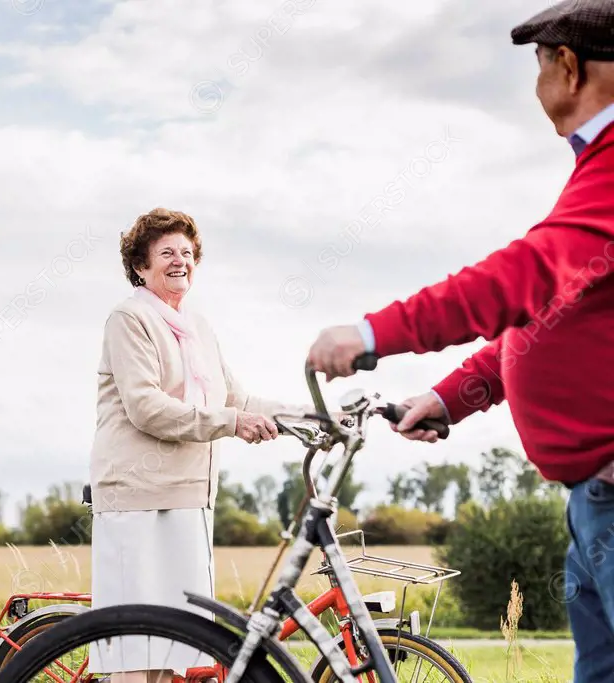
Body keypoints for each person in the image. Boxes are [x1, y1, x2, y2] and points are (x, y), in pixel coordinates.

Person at [306, 1, 614, 681]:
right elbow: (550, 319)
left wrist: (371, 333)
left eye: (537, 65)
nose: (536, 86)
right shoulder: (593, 170)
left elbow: (526, 277)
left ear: (566, 66)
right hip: (592, 501)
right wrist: (451, 397)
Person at [88, 207, 294, 683]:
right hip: (135, 499)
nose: (180, 260)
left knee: (175, 654)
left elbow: (237, 399)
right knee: (133, 657)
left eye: (187, 252)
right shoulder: (129, 318)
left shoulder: (198, 326)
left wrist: (311, 415)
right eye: (166, 253)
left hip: (190, 501)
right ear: (141, 266)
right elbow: (147, 407)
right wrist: (231, 422)